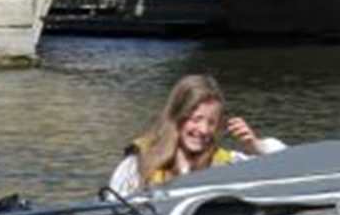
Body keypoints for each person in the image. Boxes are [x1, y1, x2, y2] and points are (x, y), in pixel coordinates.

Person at [106, 74, 285, 196]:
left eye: (211, 122)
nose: (204, 130)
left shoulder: (227, 163)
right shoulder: (137, 165)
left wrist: (256, 147)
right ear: (177, 117)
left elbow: (287, 164)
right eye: (196, 119)